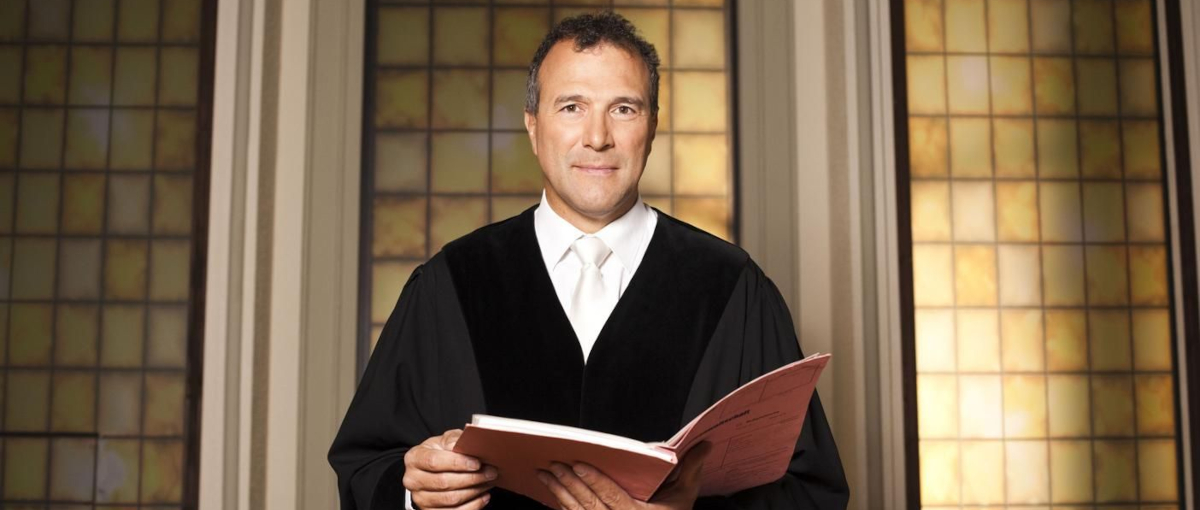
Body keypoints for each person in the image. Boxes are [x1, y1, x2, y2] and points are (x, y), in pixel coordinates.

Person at [329, 11, 849, 510]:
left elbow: (810, 493)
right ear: (532, 125)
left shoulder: (732, 288)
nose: (597, 138)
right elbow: (365, 466)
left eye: (623, 109)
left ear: (652, 126)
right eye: (571, 107)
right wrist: (415, 494)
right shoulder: (453, 282)